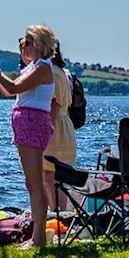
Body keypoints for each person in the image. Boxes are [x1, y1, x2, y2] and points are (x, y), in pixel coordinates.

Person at [0, 26, 58, 248]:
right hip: (27, 121)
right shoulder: (33, 67)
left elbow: (14, 87)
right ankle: (36, 235)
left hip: (32, 122)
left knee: (35, 183)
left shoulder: (43, 68)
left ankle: (38, 238)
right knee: (31, 182)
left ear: (39, 44)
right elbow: (9, 91)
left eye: (27, 42)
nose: (23, 46)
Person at [43, 42, 79, 213]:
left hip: (54, 128)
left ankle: (57, 215)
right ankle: (59, 215)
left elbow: (55, 104)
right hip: (64, 126)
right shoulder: (61, 71)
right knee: (55, 178)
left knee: (50, 177)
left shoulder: (52, 72)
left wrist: (43, 131)